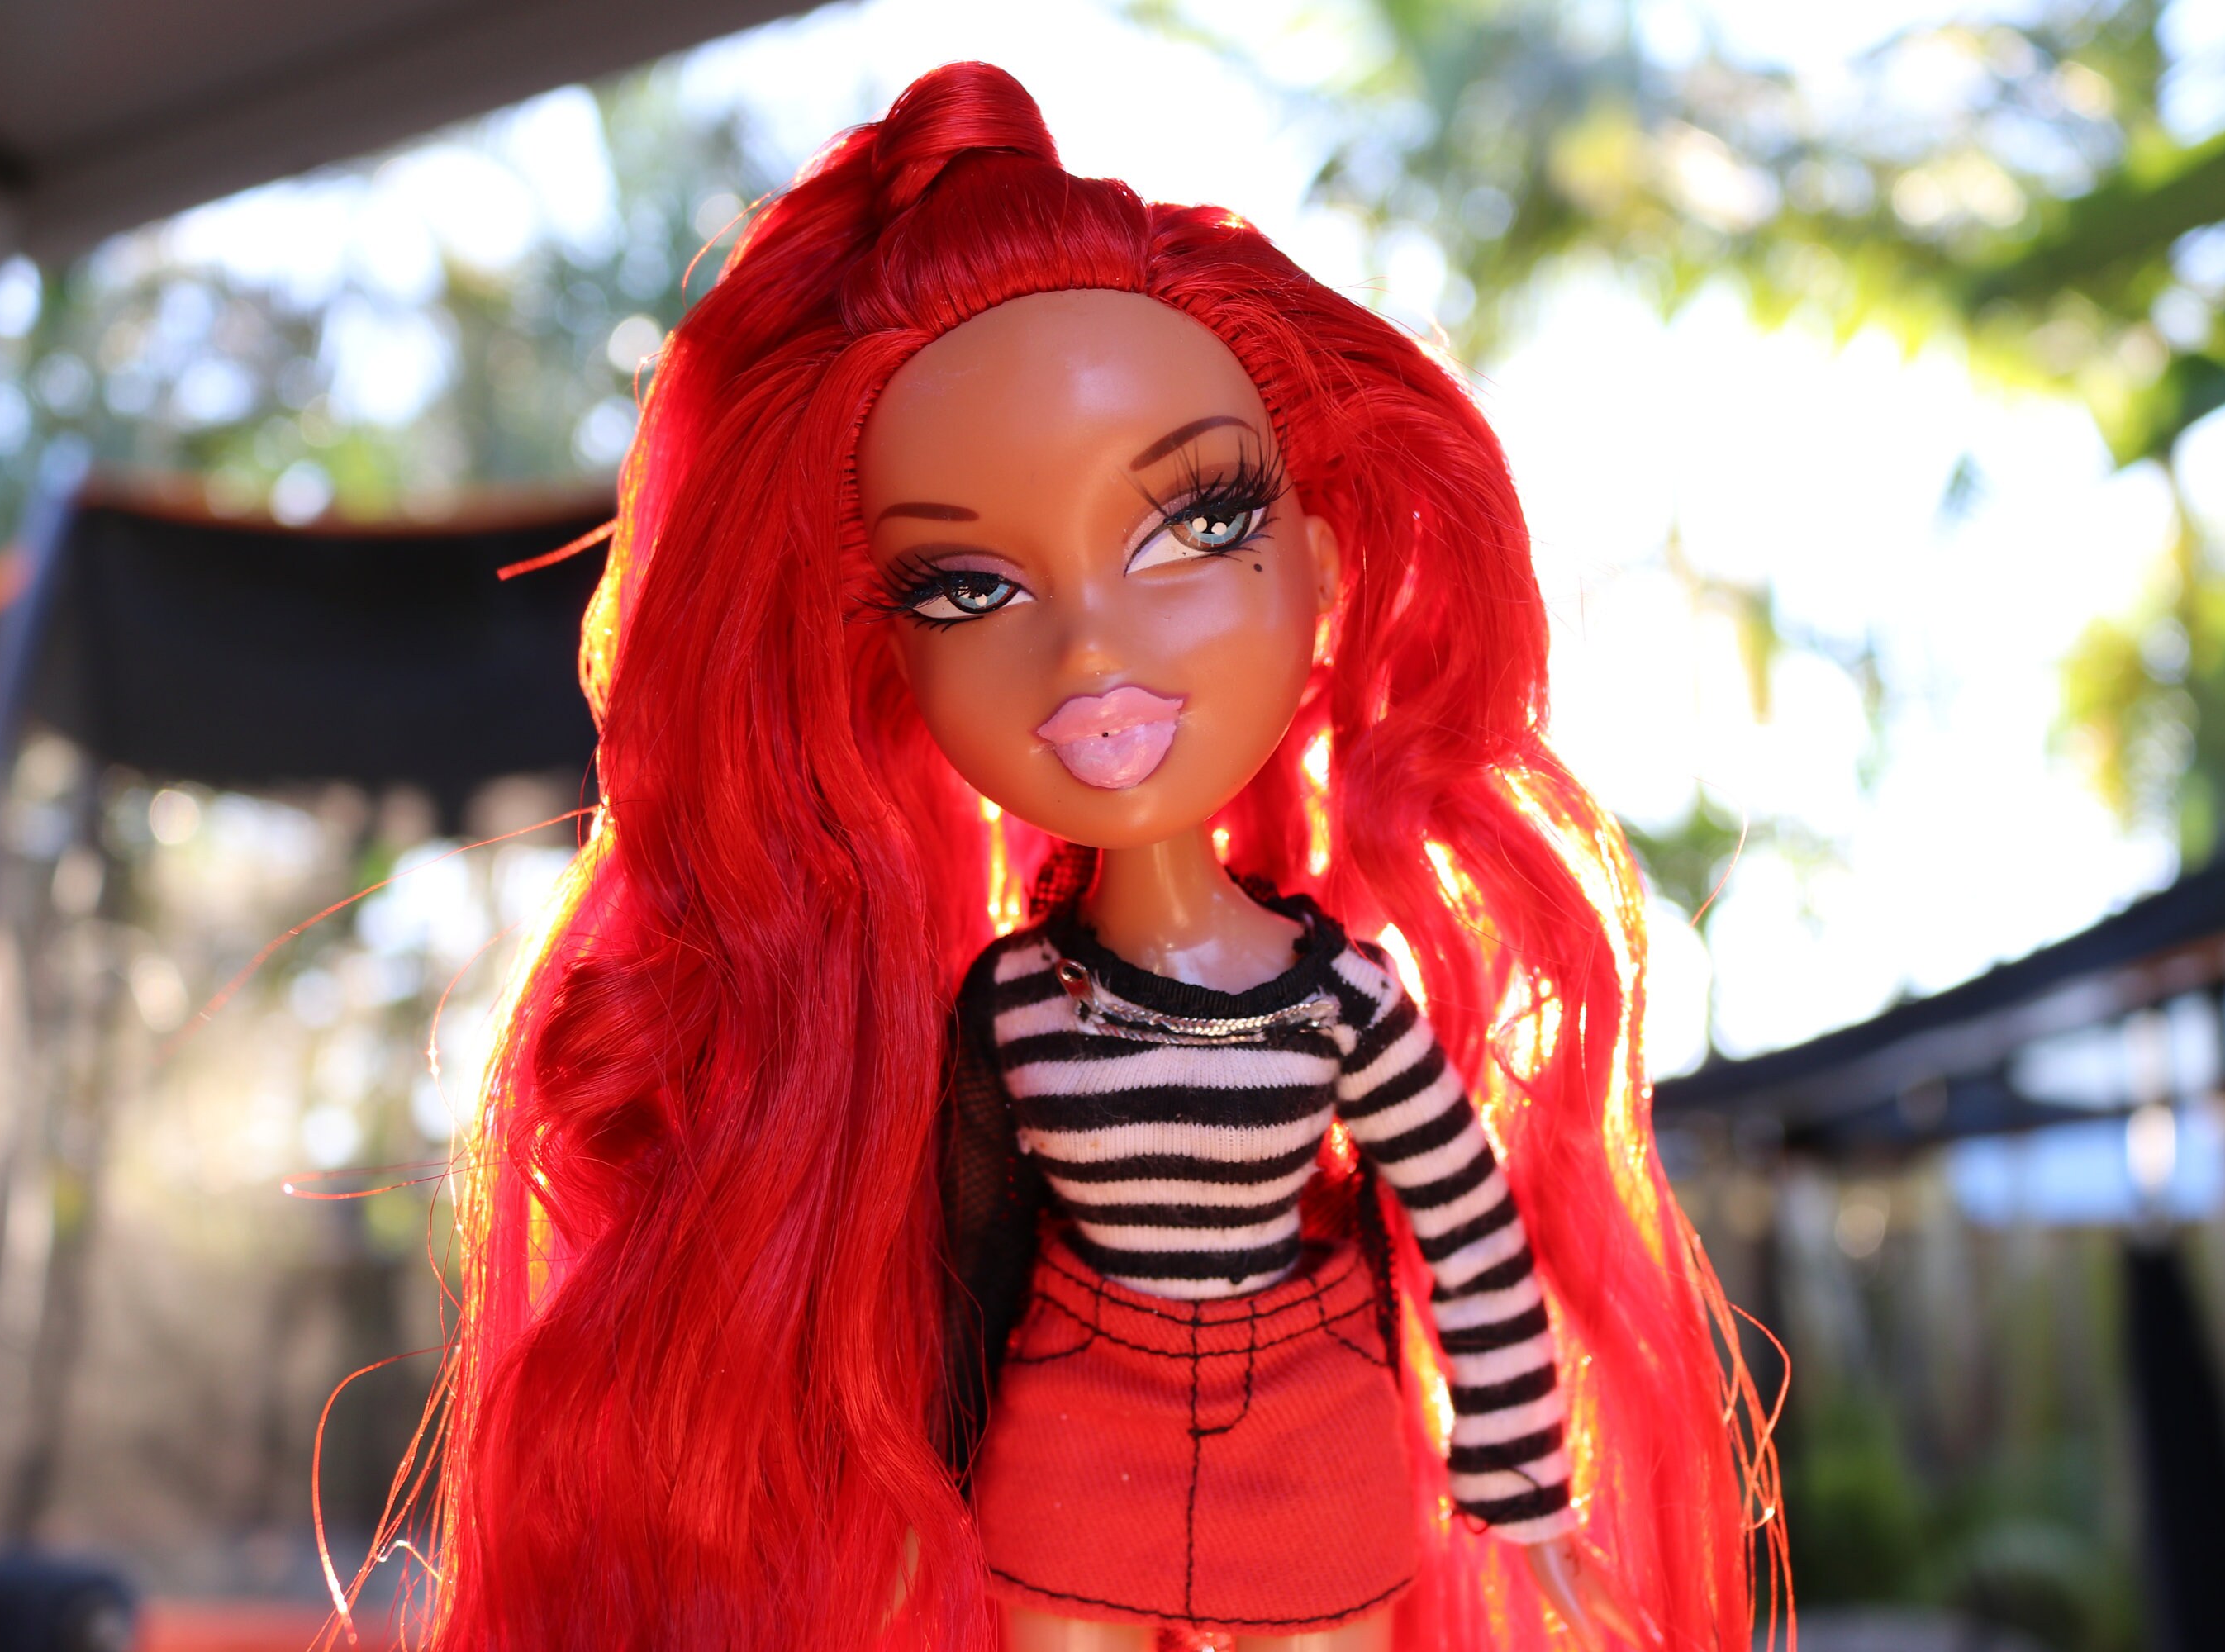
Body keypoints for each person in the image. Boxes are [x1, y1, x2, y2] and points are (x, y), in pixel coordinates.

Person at [421, 61, 1781, 1651]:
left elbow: (1463, 1223)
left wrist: (1526, 1491)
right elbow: (962, 1262)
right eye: (966, 588)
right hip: (1074, 1426)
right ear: (889, 659)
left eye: (1196, 526)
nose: (1087, 648)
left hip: (1315, 1430)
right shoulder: (1012, 1005)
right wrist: (896, 1496)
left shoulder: (1342, 998)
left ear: (1320, 573)